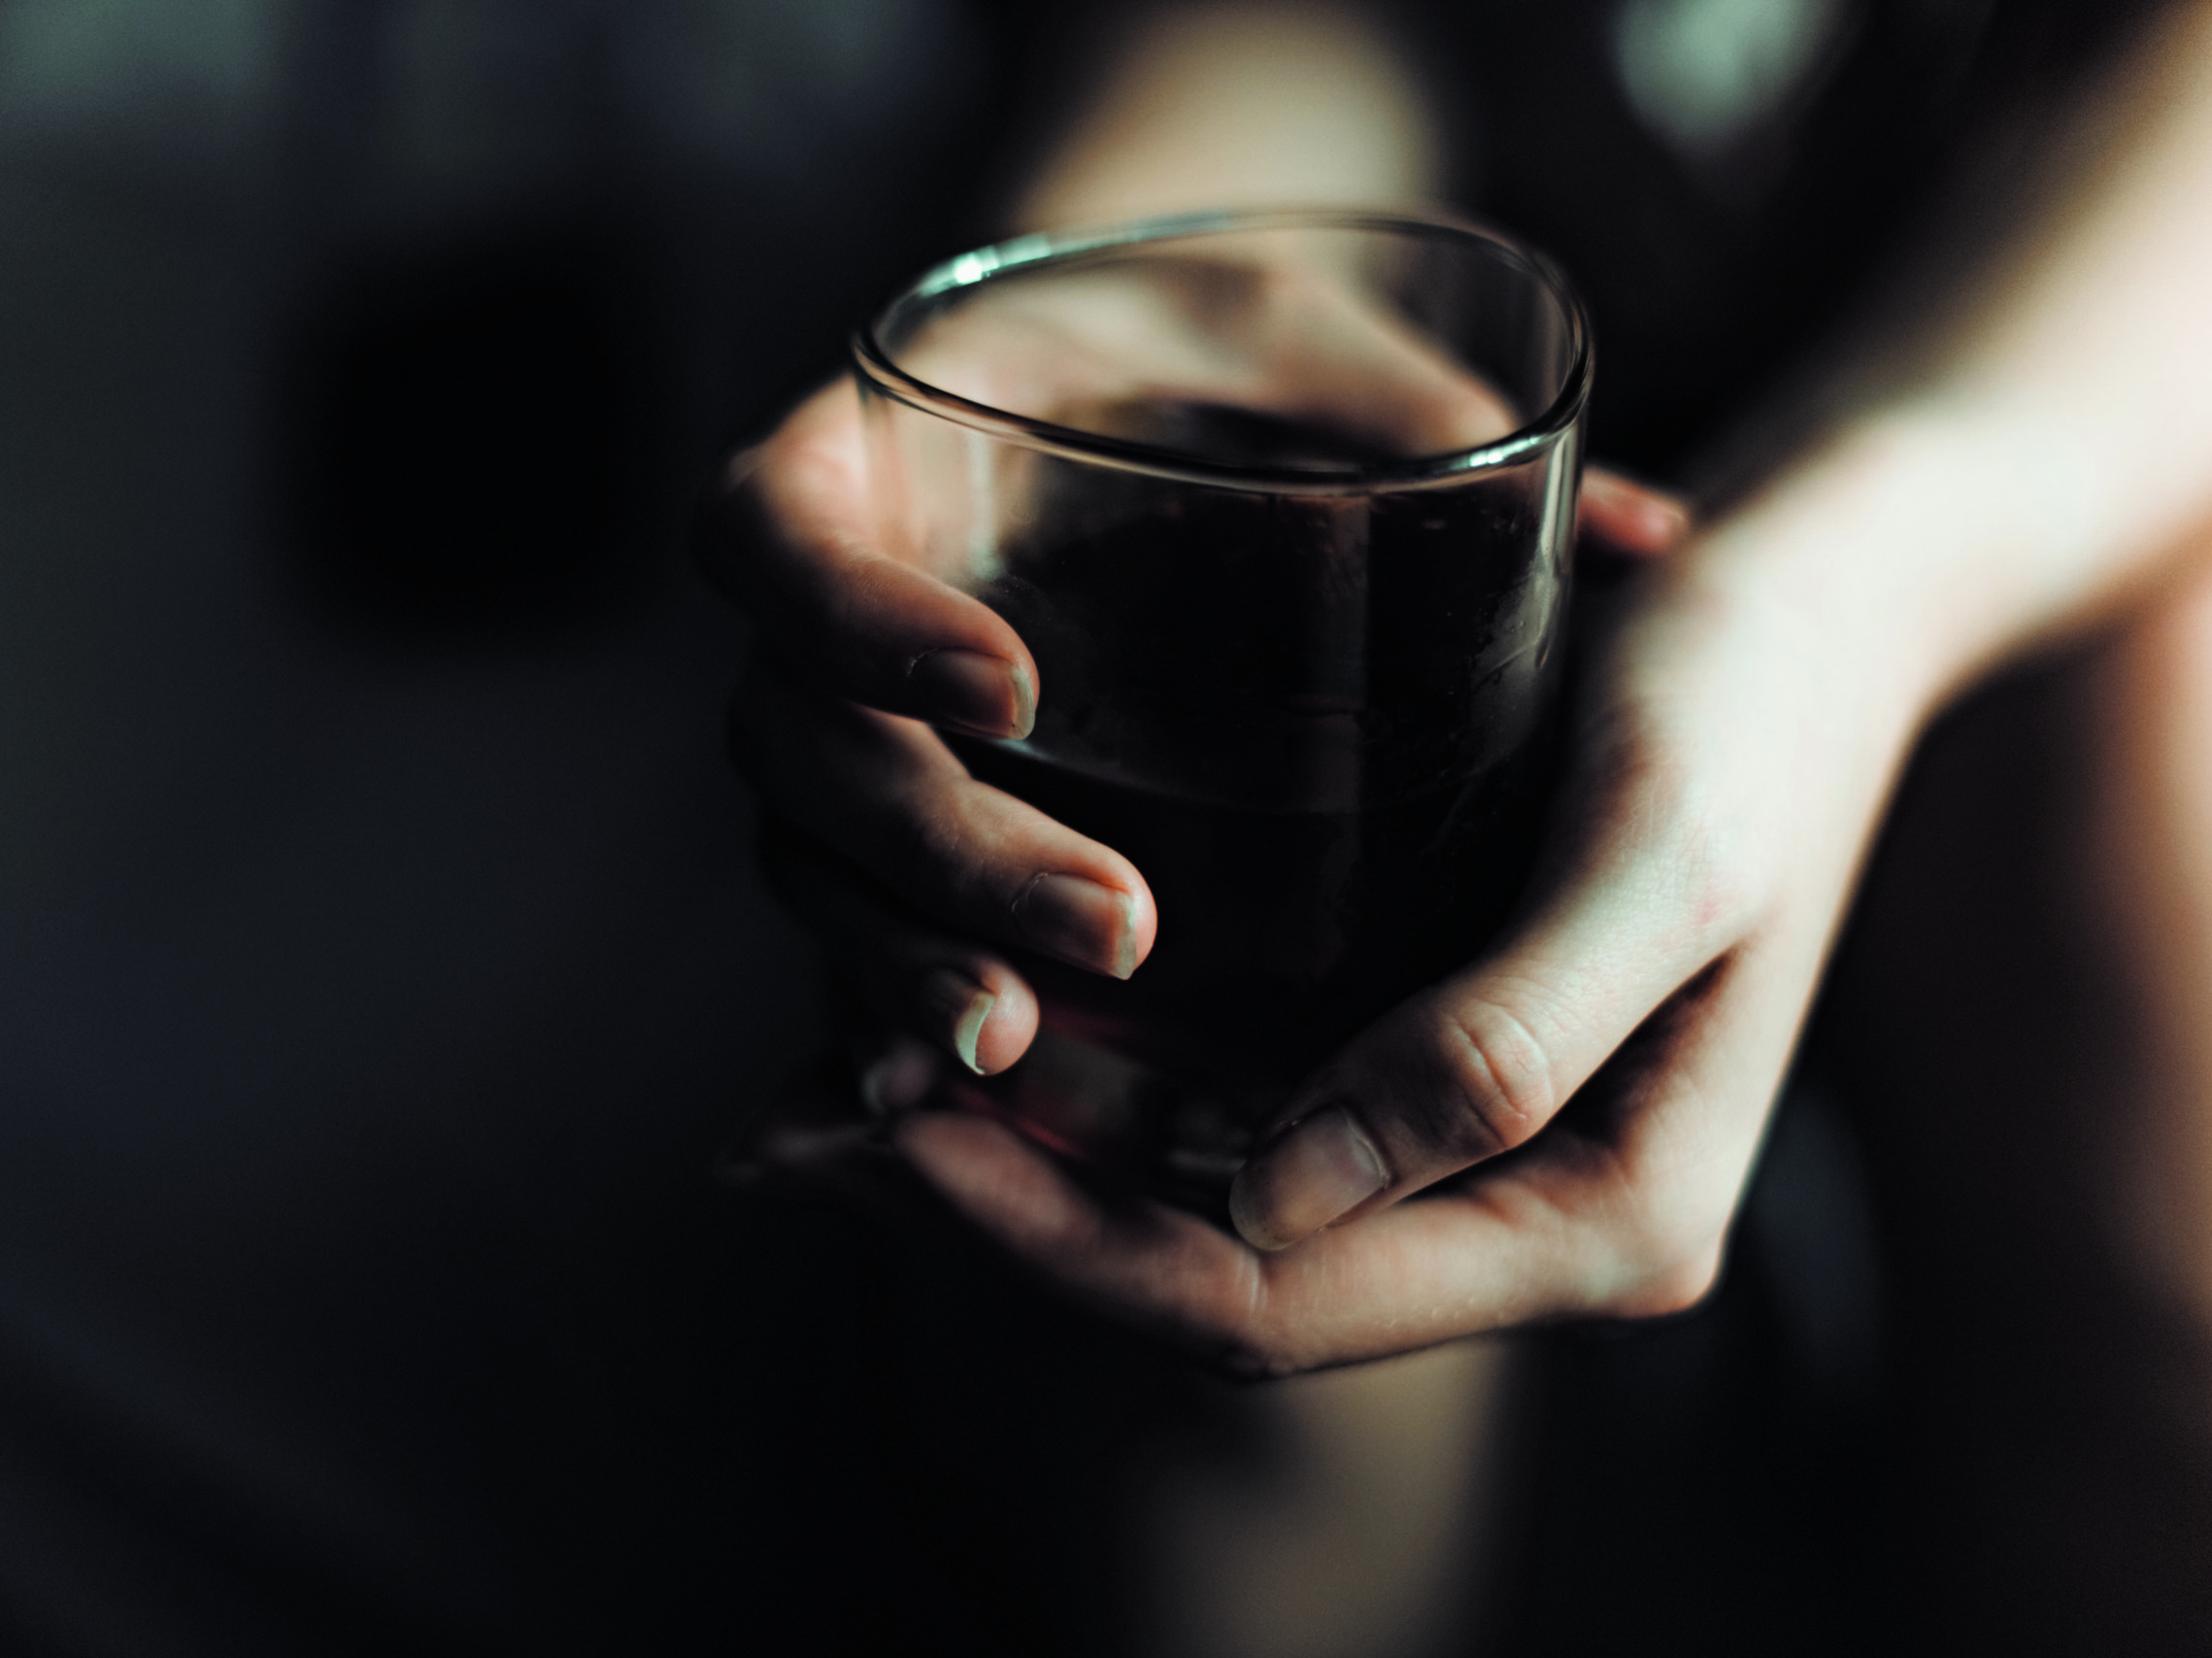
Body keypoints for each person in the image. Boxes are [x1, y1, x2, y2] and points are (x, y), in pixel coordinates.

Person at [706, 0, 2212, 1646]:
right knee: (1226, 1233)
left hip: (2097, 282)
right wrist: (1130, 295)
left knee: (2145, 896)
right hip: (1474, 297)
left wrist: (1847, 586)